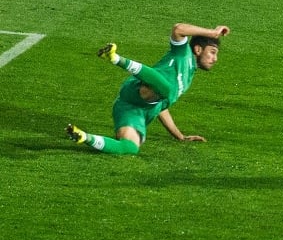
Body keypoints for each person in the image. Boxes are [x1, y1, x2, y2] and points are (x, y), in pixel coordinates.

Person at [66, 22, 230, 155]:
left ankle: (83, 136)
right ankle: (116, 58)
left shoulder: (188, 76)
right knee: (167, 90)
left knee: (129, 148)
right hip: (137, 91)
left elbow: (161, 108)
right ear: (198, 49)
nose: (215, 59)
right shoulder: (183, 53)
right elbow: (178, 29)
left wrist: (180, 136)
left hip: (133, 110)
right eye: (213, 52)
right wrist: (212, 33)